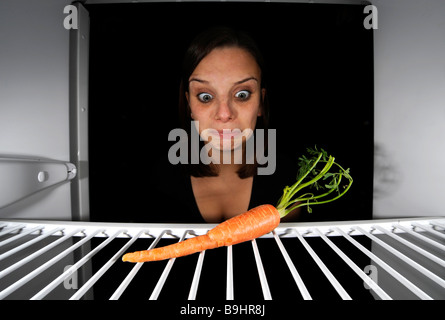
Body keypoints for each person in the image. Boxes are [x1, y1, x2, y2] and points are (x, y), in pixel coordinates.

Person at [157, 26, 300, 223]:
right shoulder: (161, 182)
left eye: (242, 95)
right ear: (189, 104)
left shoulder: (289, 181)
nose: (224, 114)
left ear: (260, 102)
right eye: (205, 97)